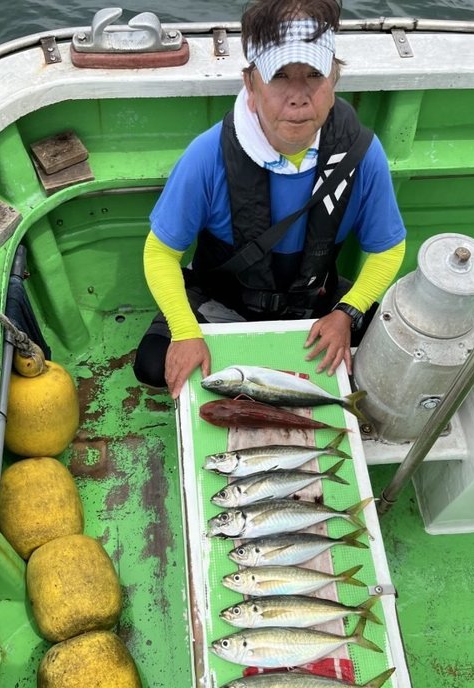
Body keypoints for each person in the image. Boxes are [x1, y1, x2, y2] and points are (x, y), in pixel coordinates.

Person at [133, 0, 406, 399]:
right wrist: (186, 331)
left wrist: (347, 312)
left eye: (313, 74)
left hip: (316, 300)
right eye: (280, 76)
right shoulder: (208, 156)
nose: (298, 97)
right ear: (251, 83)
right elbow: (160, 253)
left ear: (334, 77)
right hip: (223, 300)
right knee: (153, 366)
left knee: (388, 359)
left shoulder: (361, 153)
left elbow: (389, 247)